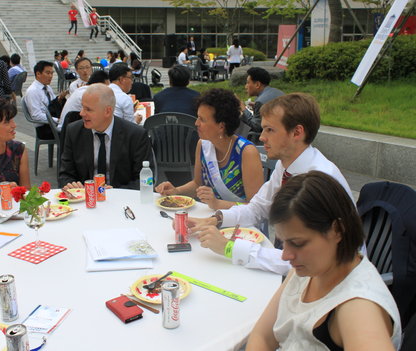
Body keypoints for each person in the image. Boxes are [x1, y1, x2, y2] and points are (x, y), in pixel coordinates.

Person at [189, 93, 352, 275]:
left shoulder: (320, 180)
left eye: (270, 130)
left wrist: (229, 248)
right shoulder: (286, 165)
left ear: (297, 132)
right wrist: (215, 219)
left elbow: (305, 260)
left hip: (327, 283)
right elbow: (257, 207)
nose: (261, 138)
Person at [246, 171, 401, 351]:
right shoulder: (312, 267)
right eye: (283, 241)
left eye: (297, 243)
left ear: (337, 230)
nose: (285, 255)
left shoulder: (358, 308)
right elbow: (263, 336)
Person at [156, 88, 263, 210]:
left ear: (221, 126)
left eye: (202, 119)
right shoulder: (203, 144)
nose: (196, 123)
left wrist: (218, 204)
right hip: (211, 217)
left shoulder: (246, 152)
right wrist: (176, 190)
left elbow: (255, 208)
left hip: (241, 224)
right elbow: (197, 184)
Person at [59, 83, 152, 190]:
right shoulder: (74, 131)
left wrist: (115, 192)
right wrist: (71, 185)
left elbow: (145, 180)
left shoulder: (135, 135)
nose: (81, 113)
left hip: (122, 199)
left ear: (107, 111)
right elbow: (65, 174)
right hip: (84, 198)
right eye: (82, 107)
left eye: (88, 109)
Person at [24, 60, 68, 139]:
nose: (51, 76)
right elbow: (36, 116)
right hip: (44, 128)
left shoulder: (48, 87)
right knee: (73, 132)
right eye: (48, 73)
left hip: (53, 124)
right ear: (38, 74)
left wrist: (60, 98)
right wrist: (57, 120)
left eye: (52, 73)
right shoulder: (32, 91)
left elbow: (53, 105)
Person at [240, 67, 284, 137]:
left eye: (248, 83)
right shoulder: (278, 92)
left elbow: (256, 127)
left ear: (257, 84)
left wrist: (243, 108)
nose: (246, 86)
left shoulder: (260, 102)